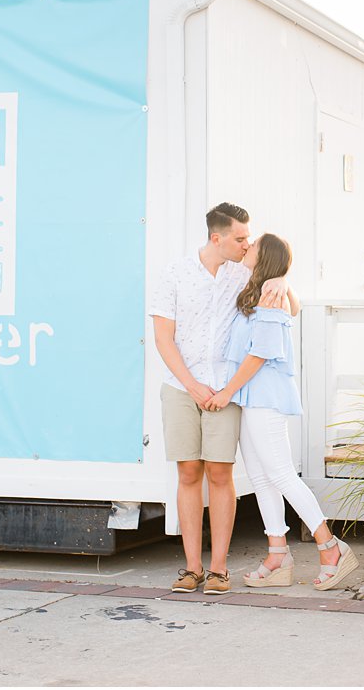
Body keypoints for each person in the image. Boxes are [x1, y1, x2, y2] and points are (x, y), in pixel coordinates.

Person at [149, 202, 289, 595]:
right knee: (188, 472)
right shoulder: (174, 274)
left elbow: (278, 281)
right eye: (240, 238)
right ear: (217, 237)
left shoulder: (242, 276)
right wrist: (193, 385)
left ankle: (219, 569)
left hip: (225, 389)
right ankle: (191, 567)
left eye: (248, 239)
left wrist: (285, 282)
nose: (247, 245)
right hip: (181, 388)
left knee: (220, 473)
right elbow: (163, 338)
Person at [208, 233, 358, 591]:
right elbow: (296, 307)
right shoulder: (264, 289)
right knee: (260, 476)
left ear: (266, 257)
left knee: (280, 473)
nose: (247, 247)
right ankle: (277, 554)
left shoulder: (271, 297)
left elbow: (260, 354)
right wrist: (283, 282)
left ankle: (330, 547)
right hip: (249, 398)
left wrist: (226, 392)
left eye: (254, 244)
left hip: (265, 398)